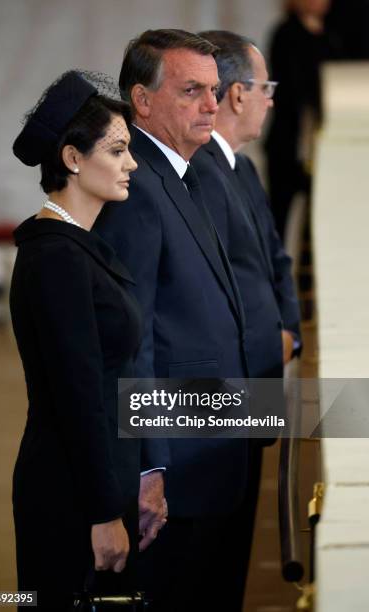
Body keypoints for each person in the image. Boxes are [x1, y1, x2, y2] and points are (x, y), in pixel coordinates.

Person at [95, 29, 249, 612]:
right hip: (177, 462)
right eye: (192, 91)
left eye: (214, 90)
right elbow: (133, 342)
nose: (213, 104)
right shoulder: (135, 188)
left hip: (212, 446)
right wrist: (151, 466)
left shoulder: (183, 171)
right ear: (141, 99)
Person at [10, 70, 142, 610]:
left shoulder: (79, 247)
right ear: (72, 159)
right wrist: (102, 513)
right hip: (70, 492)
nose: (131, 163)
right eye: (117, 150)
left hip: (94, 477)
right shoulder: (56, 259)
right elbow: (77, 396)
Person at [192, 30, 302, 608]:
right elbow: (223, 291)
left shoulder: (242, 169)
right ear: (238, 94)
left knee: (234, 529)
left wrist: (291, 335)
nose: (272, 99)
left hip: (254, 375)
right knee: (218, 547)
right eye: (267, 87)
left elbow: (274, 264)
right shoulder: (204, 173)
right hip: (224, 390)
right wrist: (275, 342)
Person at [264, 0, 341, 237]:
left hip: (324, 139)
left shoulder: (332, 34)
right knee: (280, 214)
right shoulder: (285, 32)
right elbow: (290, 85)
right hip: (289, 140)